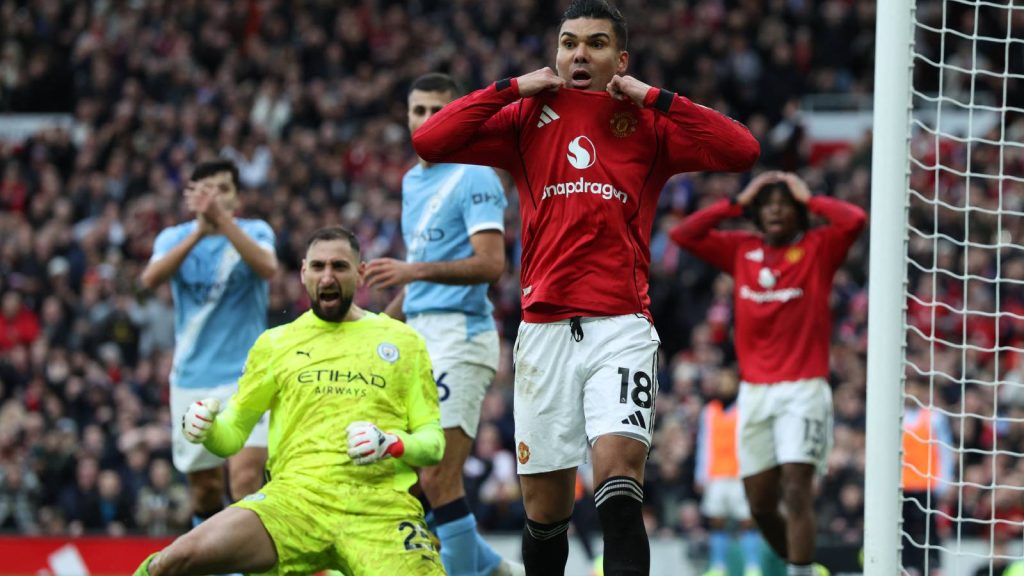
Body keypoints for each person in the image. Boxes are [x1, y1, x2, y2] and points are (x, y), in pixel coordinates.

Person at [411, 1, 760, 573]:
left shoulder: (649, 125)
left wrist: (652, 96)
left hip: (620, 326)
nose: (579, 53)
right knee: (546, 516)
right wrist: (511, 86)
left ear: (619, 59)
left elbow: (742, 150)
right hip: (544, 333)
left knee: (619, 483)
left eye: (596, 43)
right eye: (569, 42)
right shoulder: (527, 116)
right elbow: (431, 140)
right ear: (556, 54)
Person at [134, 226, 445, 576]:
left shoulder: (403, 341)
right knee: (170, 562)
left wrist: (391, 443)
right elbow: (233, 434)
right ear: (303, 273)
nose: (327, 276)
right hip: (292, 504)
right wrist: (206, 430)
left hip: (380, 510)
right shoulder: (275, 344)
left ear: (360, 274)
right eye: (318, 267)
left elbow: (433, 444)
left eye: (340, 267)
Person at [670, 171, 866, 576]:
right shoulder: (742, 250)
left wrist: (808, 196)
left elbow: (854, 220)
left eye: (784, 203)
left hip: (804, 389)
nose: (776, 209)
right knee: (759, 505)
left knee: (796, 487)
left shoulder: (818, 247)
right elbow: (683, 235)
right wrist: (736, 203)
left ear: (799, 213)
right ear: (756, 215)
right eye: (768, 203)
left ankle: (800, 571)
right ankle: (807, 566)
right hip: (755, 393)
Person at [365, 72, 520, 576]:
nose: (428, 121)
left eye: (439, 111)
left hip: (461, 335)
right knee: (407, 478)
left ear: (459, 116)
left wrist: (410, 271)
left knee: (437, 477)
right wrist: (376, 327)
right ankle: (496, 569)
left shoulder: (475, 174)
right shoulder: (413, 181)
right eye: (419, 111)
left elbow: (491, 263)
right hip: (417, 335)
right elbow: (421, 275)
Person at [140, 159, 278, 526]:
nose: (215, 197)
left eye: (224, 189)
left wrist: (222, 223)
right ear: (192, 198)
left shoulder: (256, 231)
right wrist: (200, 232)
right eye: (207, 189)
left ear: (236, 197)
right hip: (192, 377)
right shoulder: (174, 238)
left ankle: (249, 563)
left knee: (247, 477)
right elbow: (150, 279)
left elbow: (267, 268)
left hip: (246, 376)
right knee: (204, 488)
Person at [695, 368, 761, 576]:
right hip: (716, 475)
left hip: (740, 474)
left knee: (747, 521)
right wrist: (701, 474)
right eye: (721, 381)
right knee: (717, 520)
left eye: (728, 381)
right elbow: (703, 444)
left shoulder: (746, 410)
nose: (724, 385)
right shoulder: (709, 411)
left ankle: (752, 567)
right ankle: (718, 567)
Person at [901, 376, 953, 576]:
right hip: (903, 484)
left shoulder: (935, 417)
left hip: (927, 482)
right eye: (910, 387)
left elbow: (944, 450)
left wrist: (945, 481)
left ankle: (933, 565)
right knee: (905, 527)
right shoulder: (898, 416)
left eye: (917, 388)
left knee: (930, 527)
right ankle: (909, 566)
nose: (913, 392)